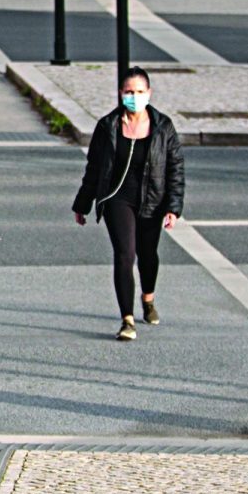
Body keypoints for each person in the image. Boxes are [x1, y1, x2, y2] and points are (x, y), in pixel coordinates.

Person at [72, 67, 184, 342]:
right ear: (120, 94)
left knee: (148, 255)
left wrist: (173, 206)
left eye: (139, 92)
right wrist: (82, 203)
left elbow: (175, 169)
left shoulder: (163, 127)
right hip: (116, 199)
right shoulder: (107, 126)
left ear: (149, 93)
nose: (134, 97)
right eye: (129, 92)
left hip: (152, 200)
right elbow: (95, 167)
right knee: (125, 254)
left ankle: (148, 298)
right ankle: (127, 319)